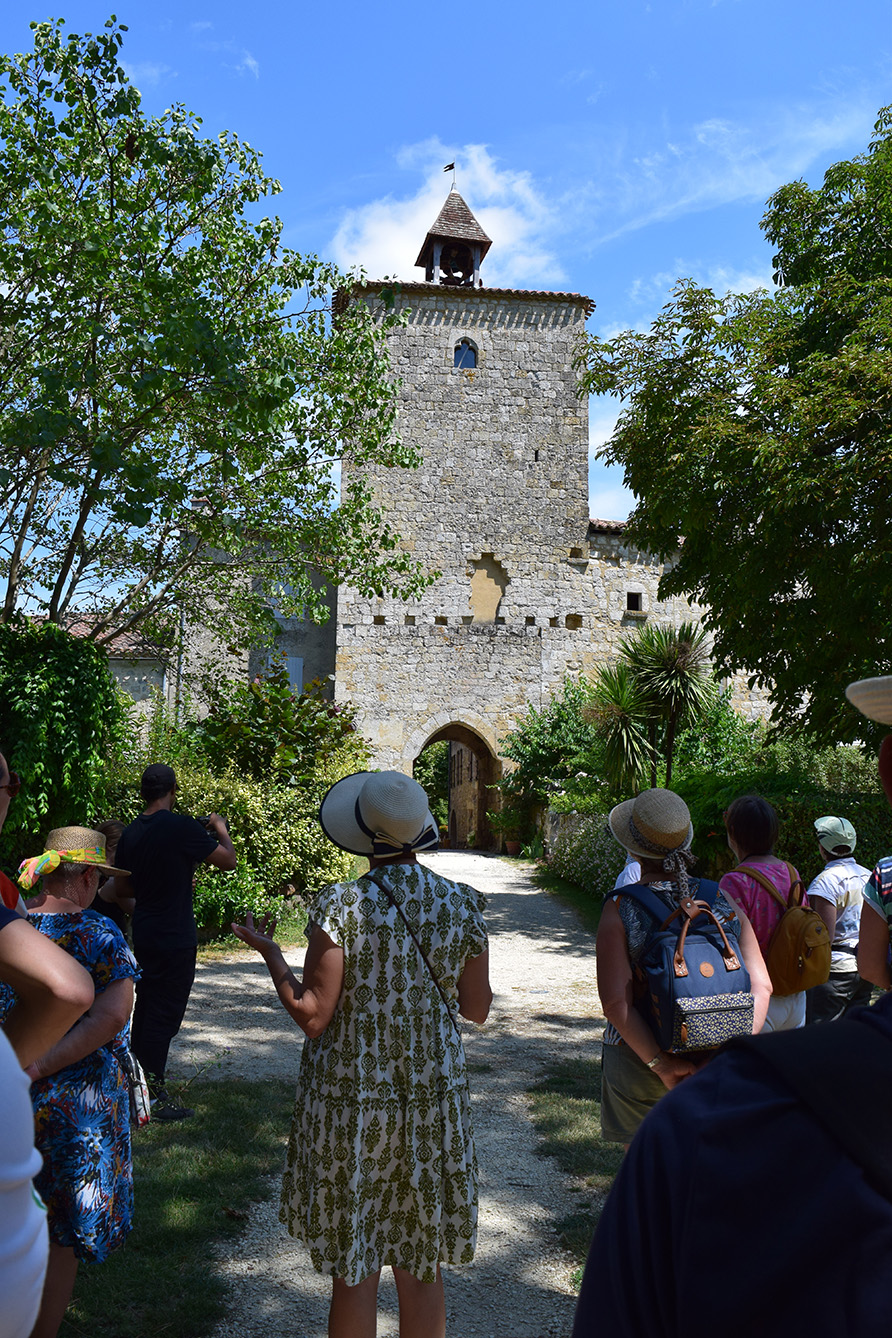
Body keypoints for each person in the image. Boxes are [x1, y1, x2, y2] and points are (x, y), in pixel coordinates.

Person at [233, 769, 492, 1338]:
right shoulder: (463, 904)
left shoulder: (341, 906)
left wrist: (273, 957)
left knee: (355, 1269)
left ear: (363, 833)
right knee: (421, 1265)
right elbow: (476, 1009)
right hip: (431, 1103)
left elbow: (313, 1014)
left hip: (354, 1106)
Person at [2, 826, 140, 1338]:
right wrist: (40, 1066)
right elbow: (109, 1018)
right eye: (97, 876)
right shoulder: (102, 934)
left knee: (13, 1215)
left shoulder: (12, 930)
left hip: (10, 1097)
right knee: (61, 1233)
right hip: (75, 1110)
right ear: (84, 876)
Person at [596, 788, 770, 1147]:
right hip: (715, 1058)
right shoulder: (721, 897)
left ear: (633, 849)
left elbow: (616, 1004)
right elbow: (762, 986)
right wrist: (725, 1054)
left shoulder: (620, 908)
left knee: (643, 1177)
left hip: (639, 1059)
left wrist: (661, 1064)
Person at [111, 763, 236, 1119]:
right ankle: (153, 1093)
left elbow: (121, 887)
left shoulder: (132, 832)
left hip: (147, 930)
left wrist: (153, 887)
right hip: (176, 934)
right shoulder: (180, 827)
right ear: (172, 791)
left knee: (148, 1005)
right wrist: (221, 830)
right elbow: (228, 860)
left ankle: (136, 1085)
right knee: (165, 1012)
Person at [720, 794, 807, 1031]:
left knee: (755, 1068)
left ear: (734, 832)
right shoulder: (791, 873)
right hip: (795, 992)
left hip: (756, 996)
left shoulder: (733, 882)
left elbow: (724, 941)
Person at [805, 815, 872, 1022]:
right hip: (864, 967)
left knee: (820, 1037)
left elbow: (824, 937)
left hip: (835, 973)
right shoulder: (868, 876)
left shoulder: (824, 883)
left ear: (822, 848)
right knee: (855, 1034)